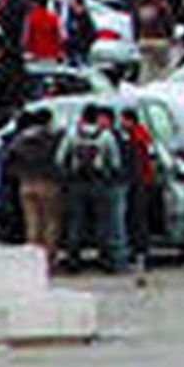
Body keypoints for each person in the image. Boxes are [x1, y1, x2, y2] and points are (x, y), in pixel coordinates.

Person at [56, 104, 128, 273]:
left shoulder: (72, 134)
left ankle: (73, 260)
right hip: (99, 182)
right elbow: (115, 162)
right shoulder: (105, 136)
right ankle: (106, 259)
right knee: (103, 222)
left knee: (76, 222)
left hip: (76, 183)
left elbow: (60, 159)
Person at [5, 108, 64, 268]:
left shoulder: (19, 140)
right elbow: (61, 158)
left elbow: (8, 159)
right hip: (48, 182)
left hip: (26, 183)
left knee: (32, 222)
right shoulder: (52, 138)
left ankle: (32, 259)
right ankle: (49, 259)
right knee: (51, 222)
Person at [120, 108, 159, 271]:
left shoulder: (137, 137)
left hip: (139, 183)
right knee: (138, 219)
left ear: (130, 120)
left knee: (138, 219)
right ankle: (140, 252)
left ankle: (141, 252)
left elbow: (143, 161)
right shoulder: (141, 135)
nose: (121, 123)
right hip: (141, 181)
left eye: (123, 120)